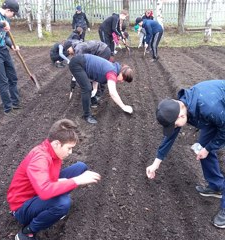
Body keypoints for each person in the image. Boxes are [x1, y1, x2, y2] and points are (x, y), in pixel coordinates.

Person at [146, 80, 225, 228]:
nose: (174, 127)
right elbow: (170, 136)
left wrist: (208, 148)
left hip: (221, 115)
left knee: (206, 148)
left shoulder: (208, 107)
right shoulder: (182, 107)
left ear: (181, 116)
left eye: (174, 125)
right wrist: (155, 163)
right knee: (202, 146)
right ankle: (216, 186)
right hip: (219, 116)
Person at [7, 119, 101, 240]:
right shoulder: (40, 158)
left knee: (80, 167)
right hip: (21, 207)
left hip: (37, 192)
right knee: (63, 203)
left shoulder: (52, 150)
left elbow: (47, 182)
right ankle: (27, 232)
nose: (70, 152)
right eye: (69, 148)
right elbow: (45, 191)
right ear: (56, 143)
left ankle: (52, 208)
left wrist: (61, 182)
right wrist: (76, 180)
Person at [69, 54, 133, 124]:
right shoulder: (112, 72)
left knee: (89, 88)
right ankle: (86, 115)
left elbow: (96, 73)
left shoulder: (114, 68)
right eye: (123, 79)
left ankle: (92, 101)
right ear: (121, 73)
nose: (122, 81)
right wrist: (123, 107)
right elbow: (112, 93)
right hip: (77, 64)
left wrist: (95, 88)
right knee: (87, 88)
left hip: (81, 61)